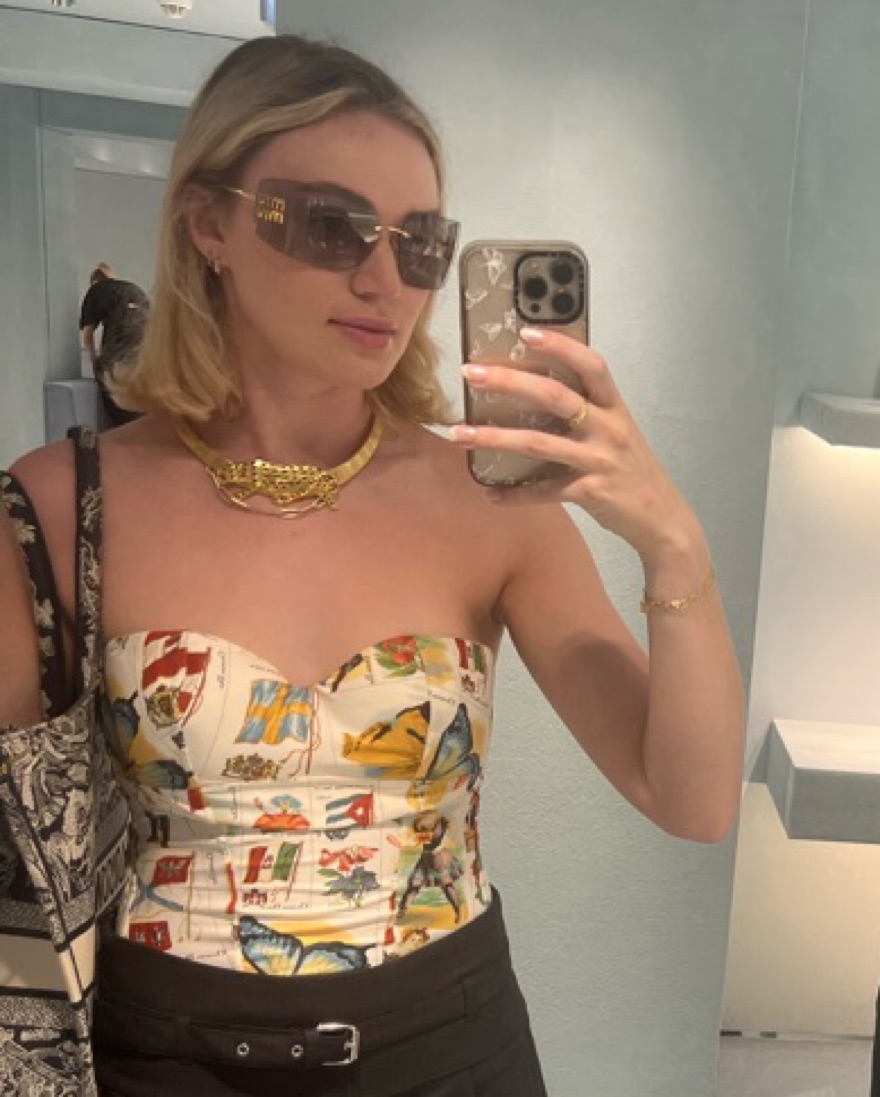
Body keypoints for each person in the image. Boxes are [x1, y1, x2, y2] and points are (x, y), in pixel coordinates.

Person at [0, 33, 744, 1097]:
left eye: (421, 244)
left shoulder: (490, 500)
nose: (384, 278)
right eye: (329, 224)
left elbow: (692, 798)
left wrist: (675, 543)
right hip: (160, 1056)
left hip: (453, 1049)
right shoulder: (60, 503)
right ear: (209, 224)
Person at [79, 262, 148, 427]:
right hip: (144, 347)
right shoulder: (135, 289)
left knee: (112, 393)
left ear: (94, 281)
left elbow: (87, 336)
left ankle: (122, 429)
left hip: (119, 347)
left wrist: (95, 362)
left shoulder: (96, 290)